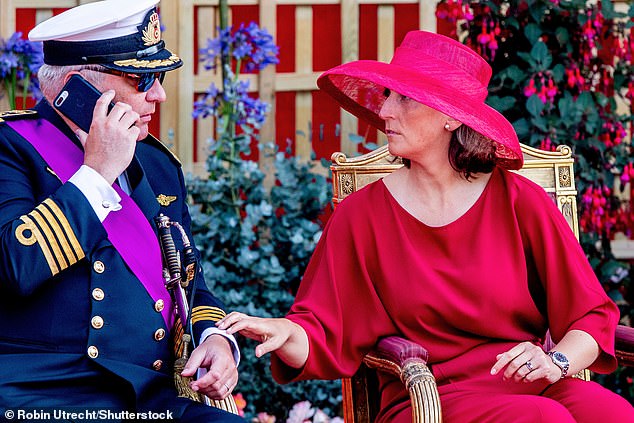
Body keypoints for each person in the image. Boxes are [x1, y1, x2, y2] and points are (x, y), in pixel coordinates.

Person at [218, 30, 634, 422]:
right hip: (428, 398)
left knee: (615, 414)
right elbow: (322, 326)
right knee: (542, 419)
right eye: (386, 96)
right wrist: (281, 329)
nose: (384, 111)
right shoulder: (362, 216)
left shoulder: (519, 201)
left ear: (450, 118)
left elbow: (590, 314)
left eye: (404, 99)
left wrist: (555, 361)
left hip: (530, 387)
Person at [0, 1, 243, 421]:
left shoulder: (157, 165)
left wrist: (216, 338)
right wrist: (96, 172)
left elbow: (191, 284)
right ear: (76, 88)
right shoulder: (11, 148)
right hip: (37, 396)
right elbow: (13, 266)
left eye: (160, 76)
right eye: (140, 77)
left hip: (147, 398)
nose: (159, 94)